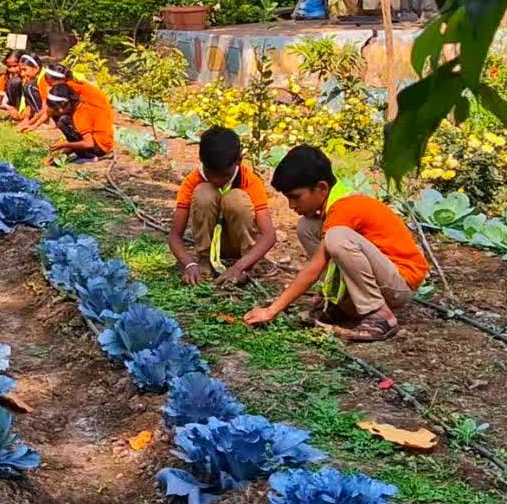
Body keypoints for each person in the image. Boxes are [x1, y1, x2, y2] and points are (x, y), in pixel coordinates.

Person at [244, 145, 429, 342]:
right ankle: (339, 303)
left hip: (400, 284)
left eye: (296, 197)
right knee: (306, 227)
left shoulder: (346, 207)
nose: (292, 205)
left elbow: (314, 268)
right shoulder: (332, 208)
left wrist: (272, 310)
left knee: (336, 237)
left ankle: (380, 315)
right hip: (383, 279)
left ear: (322, 188)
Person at [168, 126, 277, 287]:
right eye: (210, 174)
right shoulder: (193, 181)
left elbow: (269, 235)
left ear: (239, 160)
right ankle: (205, 260)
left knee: (235, 199)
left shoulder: (250, 181)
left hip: (238, 249)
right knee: (203, 193)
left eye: (224, 175)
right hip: (212, 246)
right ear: (201, 160)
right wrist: (189, 264)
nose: (216, 181)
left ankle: (247, 264)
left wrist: (239, 267)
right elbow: (174, 235)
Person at [20, 62, 106, 132]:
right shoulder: (52, 82)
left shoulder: (71, 87)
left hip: (95, 115)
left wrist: (31, 124)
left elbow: (49, 109)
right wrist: (33, 125)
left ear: (52, 79)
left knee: (64, 121)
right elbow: (48, 109)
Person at [44, 84, 114, 162]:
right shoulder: (81, 106)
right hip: (105, 143)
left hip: (100, 148)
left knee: (63, 121)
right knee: (63, 120)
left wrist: (64, 145)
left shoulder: (80, 115)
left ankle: (90, 157)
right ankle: (84, 154)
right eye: (57, 108)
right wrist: (61, 154)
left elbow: (88, 143)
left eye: (62, 106)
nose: (60, 110)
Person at [0, 50, 24, 120]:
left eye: (15, 66)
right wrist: (10, 108)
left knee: (15, 82)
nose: (12, 70)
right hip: (15, 106)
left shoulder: (29, 77)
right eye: (9, 66)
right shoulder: (4, 79)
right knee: (14, 82)